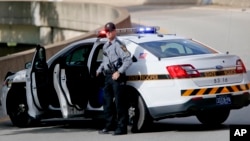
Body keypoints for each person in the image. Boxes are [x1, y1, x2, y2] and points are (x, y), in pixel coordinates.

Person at [96, 22, 132, 135]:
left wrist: (119, 72)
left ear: (115, 31)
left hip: (117, 77)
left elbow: (128, 60)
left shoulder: (119, 45)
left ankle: (122, 128)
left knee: (120, 103)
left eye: (110, 31)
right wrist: (99, 69)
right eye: (107, 31)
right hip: (107, 76)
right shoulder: (106, 46)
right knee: (107, 103)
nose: (108, 33)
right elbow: (104, 61)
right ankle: (109, 125)